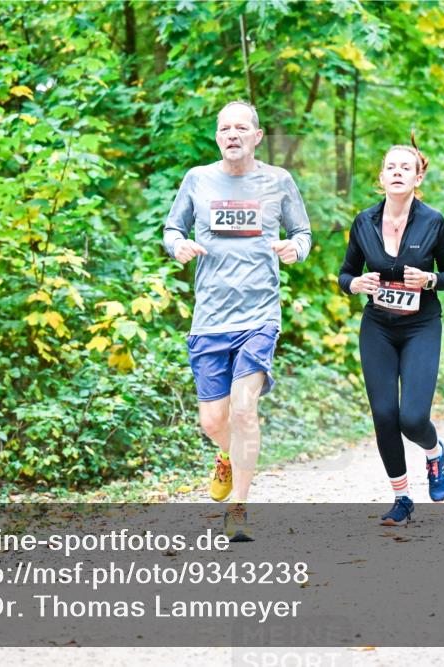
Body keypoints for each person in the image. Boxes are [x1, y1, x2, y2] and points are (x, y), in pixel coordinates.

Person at [163, 101, 312, 541]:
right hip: (210, 317)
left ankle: (239, 508)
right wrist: (179, 247)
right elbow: (173, 229)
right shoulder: (197, 180)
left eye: (241, 127)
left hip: (259, 314)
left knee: (244, 409)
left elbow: (302, 233)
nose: (232, 134)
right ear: (217, 137)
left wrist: (294, 249)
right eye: (225, 128)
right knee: (213, 421)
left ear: (257, 136)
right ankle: (227, 455)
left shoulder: (278, 181)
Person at [338, 135, 444, 526]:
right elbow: (346, 273)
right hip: (377, 327)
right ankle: (402, 497)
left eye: (405, 167)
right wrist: (354, 285)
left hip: (421, 326)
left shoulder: (433, 222)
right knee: (385, 414)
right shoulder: (364, 222)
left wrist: (429, 279)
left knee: (412, 417)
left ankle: (434, 452)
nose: (397, 172)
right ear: (381, 177)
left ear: (417, 177)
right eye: (390, 167)